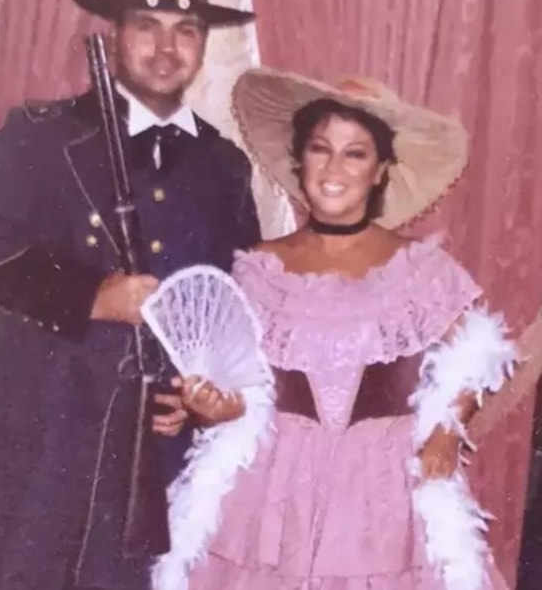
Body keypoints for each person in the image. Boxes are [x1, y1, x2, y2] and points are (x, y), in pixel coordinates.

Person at [0, 0, 259, 590]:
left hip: (159, 460)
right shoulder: (41, 134)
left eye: (186, 31)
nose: (166, 48)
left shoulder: (224, 166)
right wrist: (91, 296)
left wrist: (203, 396)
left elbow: (234, 306)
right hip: (42, 443)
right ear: (114, 36)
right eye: (147, 26)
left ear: (202, 45)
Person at [153, 68, 517, 590]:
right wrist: (211, 408)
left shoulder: (419, 269)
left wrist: (446, 429)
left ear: (381, 170)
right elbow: (243, 393)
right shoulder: (258, 270)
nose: (334, 168)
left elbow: (477, 354)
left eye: (355, 153)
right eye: (321, 149)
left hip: (382, 491)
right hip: (274, 491)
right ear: (300, 160)